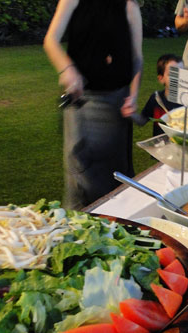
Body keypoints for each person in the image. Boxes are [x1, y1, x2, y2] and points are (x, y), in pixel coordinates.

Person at [43, 0, 143, 209]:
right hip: (82, 103)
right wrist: (67, 69)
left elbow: (137, 59)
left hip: (117, 107)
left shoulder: (129, 7)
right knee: (81, 179)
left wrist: (133, 95)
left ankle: (117, 225)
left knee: (116, 179)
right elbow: (50, 40)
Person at [131, 54, 183, 137]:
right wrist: (131, 114)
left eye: (182, 73)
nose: (178, 77)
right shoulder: (156, 98)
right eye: (172, 74)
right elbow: (142, 121)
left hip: (180, 148)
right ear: (161, 79)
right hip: (159, 148)